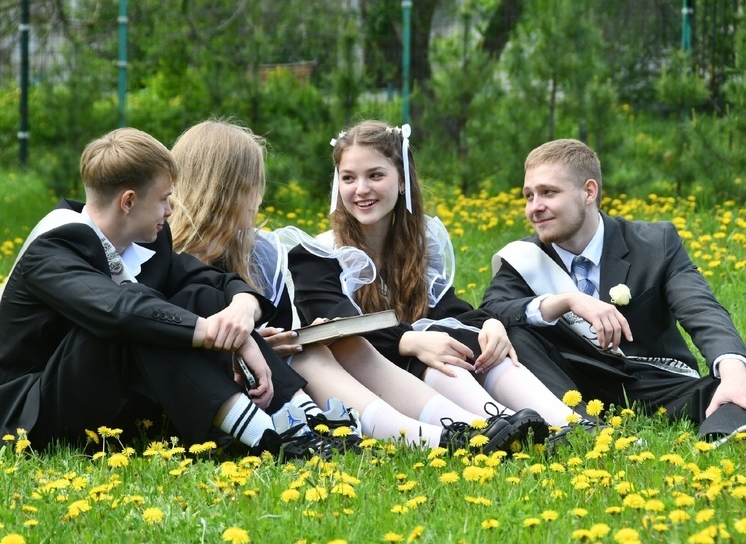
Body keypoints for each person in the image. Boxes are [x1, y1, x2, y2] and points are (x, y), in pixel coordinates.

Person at [167, 118, 519, 454]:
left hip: (280, 371)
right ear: (223, 193)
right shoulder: (169, 262)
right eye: (253, 186)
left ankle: (465, 425)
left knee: (336, 344)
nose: (258, 198)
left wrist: (292, 334)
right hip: (225, 392)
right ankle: (424, 436)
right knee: (313, 355)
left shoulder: (255, 251)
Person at [0, 127, 342, 461]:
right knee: (138, 323)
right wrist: (217, 336)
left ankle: (308, 421)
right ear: (129, 201)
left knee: (199, 298)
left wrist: (241, 309)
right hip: (31, 414)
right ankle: (266, 437)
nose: (170, 211)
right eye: (164, 199)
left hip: (104, 400)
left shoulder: (148, 241)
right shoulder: (52, 247)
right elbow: (118, 310)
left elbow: (211, 282)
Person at [284, 119, 582, 437]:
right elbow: (341, 323)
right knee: (436, 349)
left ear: (401, 181)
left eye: (375, 175)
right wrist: (408, 340)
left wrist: (488, 325)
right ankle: (496, 425)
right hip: (361, 379)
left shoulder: (419, 243)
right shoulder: (318, 253)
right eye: (348, 178)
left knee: (467, 340)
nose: (361, 189)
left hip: (416, 369)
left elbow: (447, 309)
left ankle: (567, 423)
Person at [480, 137, 746, 443]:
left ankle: (723, 428)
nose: (534, 208)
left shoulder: (654, 243)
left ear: (588, 192)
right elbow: (490, 311)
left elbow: (700, 308)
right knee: (513, 330)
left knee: (732, 384)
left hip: (650, 382)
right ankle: (582, 427)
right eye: (528, 196)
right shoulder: (522, 259)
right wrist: (566, 301)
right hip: (569, 383)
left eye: (548, 193)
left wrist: (733, 369)